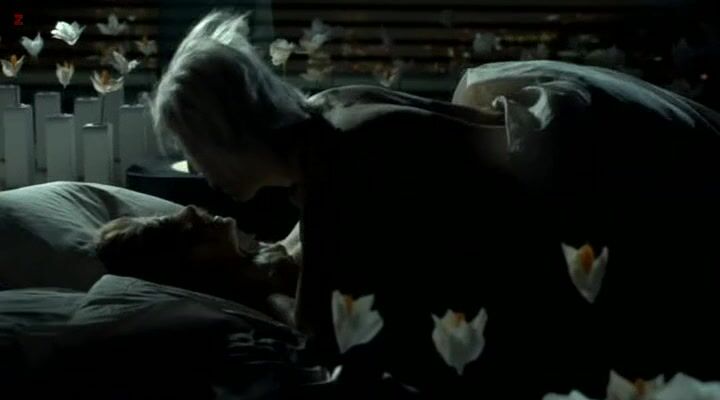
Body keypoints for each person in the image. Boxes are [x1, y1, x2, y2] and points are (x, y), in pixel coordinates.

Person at [147, 10, 720, 398]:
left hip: (598, 194)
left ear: (226, 134)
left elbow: (320, 335)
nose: (202, 175)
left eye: (197, 152)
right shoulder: (328, 115)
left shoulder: (335, 166)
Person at [96, 205, 299, 323]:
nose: (191, 211)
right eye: (188, 234)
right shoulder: (268, 292)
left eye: (165, 217)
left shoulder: (269, 252)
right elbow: (304, 322)